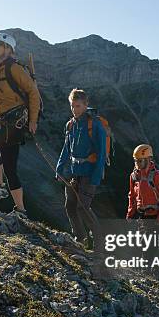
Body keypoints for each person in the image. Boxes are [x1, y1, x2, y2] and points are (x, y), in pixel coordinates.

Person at [0, 33, 41, 219]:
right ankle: (21, 210)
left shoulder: (15, 69)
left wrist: (33, 121)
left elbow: (33, 93)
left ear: (8, 49)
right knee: (10, 169)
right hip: (3, 123)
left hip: (16, 122)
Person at [55, 89, 107, 249]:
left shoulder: (95, 125)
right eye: (72, 106)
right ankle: (80, 237)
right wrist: (59, 166)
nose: (74, 109)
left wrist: (96, 178)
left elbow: (101, 153)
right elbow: (66, 148)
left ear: (86, 105)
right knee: (70, 205)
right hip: (74, 172)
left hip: (89, 173)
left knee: (83, 207)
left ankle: (100, 242)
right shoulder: (70, 125)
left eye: (78, 106)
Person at [126, 144, 159, 226]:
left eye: (140, 161)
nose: (137, 164)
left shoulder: (157, 176)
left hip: (154, 216)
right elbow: (132, 196)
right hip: (140, 216)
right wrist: (130, 214)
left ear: (148, 159)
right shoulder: (134, 176)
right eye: (136, 161)